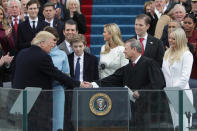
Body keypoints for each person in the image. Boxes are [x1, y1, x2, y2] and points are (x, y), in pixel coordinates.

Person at [84, 38, 166, 130]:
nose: (124, 51)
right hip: (132, 111)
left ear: (134, 50)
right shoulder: (127, 68)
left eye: (126, 49)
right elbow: (112, 79)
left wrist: (141, 92)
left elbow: (159, 83)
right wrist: (93, 84)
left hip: (149, 110)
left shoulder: (150, 63)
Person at [13, 31, 85, 131]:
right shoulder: (43, 56)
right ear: (42, 43)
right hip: (37, 99)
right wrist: (78, 83)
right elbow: (56, 74)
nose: (52, 48)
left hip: (20, 97)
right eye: (50, 45)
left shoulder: (22, 53)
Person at [162, 28, 193, 131]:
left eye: (173, 39)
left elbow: (185, 78)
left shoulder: (187, 55)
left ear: (180, 39)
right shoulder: (167, 53)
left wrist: (173, 92)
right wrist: (168, 91)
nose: (170, 40)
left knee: (184, 126)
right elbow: (165, 74)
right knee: (175, 125)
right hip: (170, 94)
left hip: (182, 94)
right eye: (169, 38)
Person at [44, 26, 69, 131]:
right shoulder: (40, 54)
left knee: (58, 121)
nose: (52, 42)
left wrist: (60, 75)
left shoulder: (62, 54)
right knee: (42, 119)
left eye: (54, 39)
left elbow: (67, 74)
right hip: (42, 89)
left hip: (58, 89)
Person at [183, 14, 197, 89]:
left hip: (194, 75)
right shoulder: (178, 36)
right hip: (181, 75)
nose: (187, 25)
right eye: (185, 23)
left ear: (194, 24)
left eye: (189, 23)